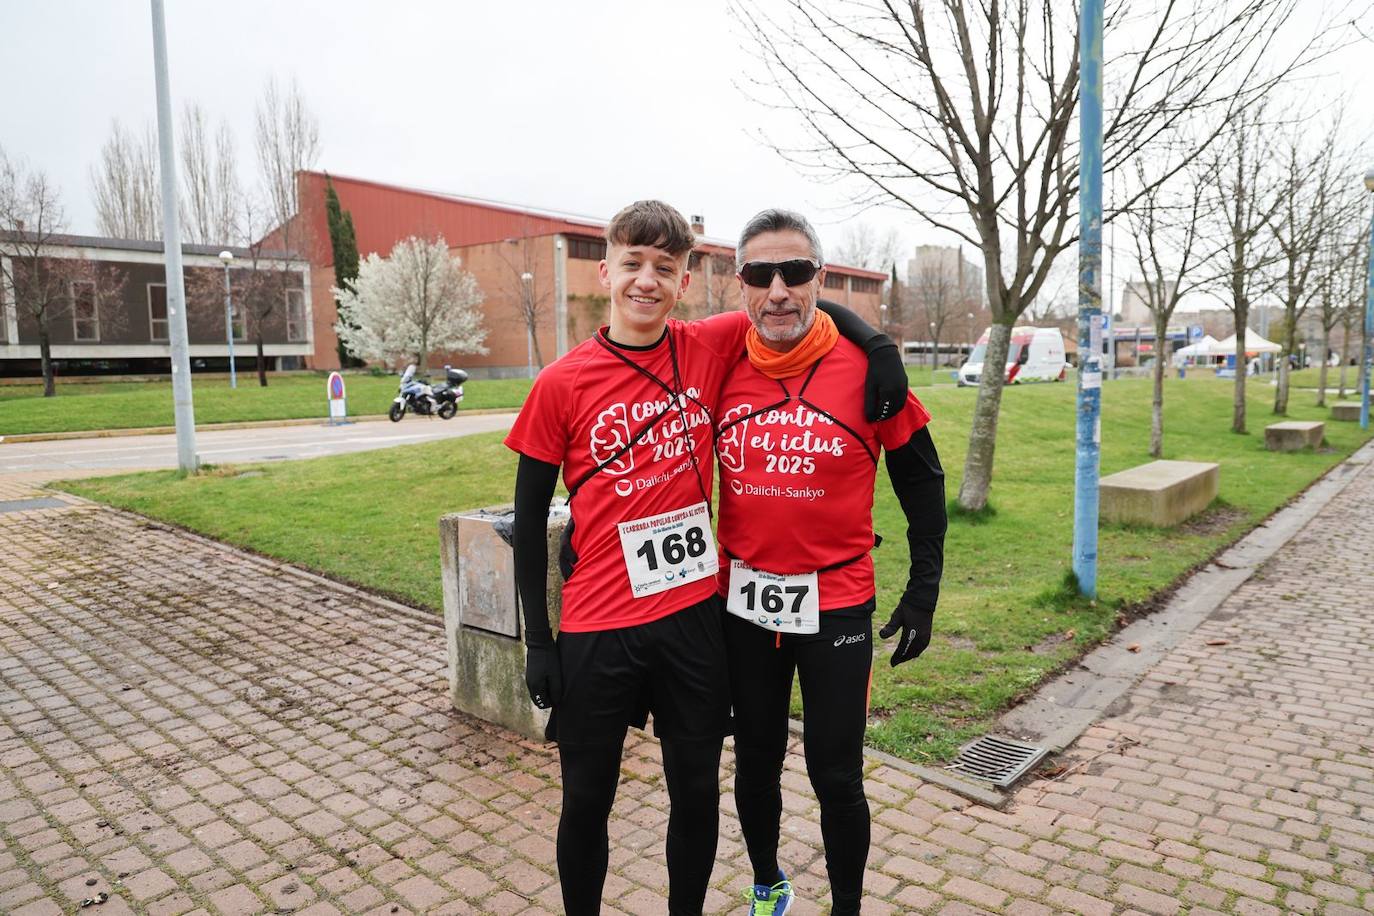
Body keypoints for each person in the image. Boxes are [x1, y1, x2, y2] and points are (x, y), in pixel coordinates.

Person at [503, 200, 909, 915]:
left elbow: (796, 303)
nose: (647, 281)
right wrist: (540, 639)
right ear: (607, 271)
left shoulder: (708, 346)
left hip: (694, 621)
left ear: (685, 281)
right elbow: (530, 516)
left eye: (665, 268)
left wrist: (876, 345)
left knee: (695, 794)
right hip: (598, 622)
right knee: (586, 799)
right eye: (632, 264)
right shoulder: (561, 382)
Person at [713, 209, 947, 916]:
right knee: (754, 762)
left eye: (796, 272)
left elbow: (922, 481)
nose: (778, 290)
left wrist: (924, 590)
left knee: (835, 774)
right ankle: (766, 883)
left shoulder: (866, 370)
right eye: (760, 274)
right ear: (740, 284)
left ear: (820, 276)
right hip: (743, 604)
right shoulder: (717, 362)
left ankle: (845, 906)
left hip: (837, 603)